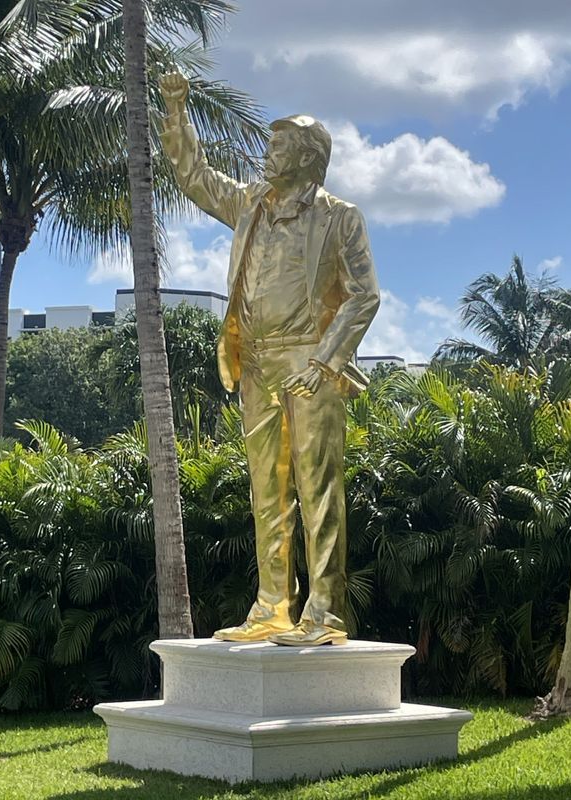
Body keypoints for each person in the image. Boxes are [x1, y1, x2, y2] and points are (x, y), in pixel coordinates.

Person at [160, 71, 380, 646]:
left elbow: (364, 295)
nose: (267, 153)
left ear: (308, 158)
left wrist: (328, 359)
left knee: (319, 490)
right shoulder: (252, 203)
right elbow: (194, 177)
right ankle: (272, 608)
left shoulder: (340, 217)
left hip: (312, 365)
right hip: (256, 364)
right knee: (267, 494)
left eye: (279, 147)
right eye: (269, 145)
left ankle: (325, 614)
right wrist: (176, 111)